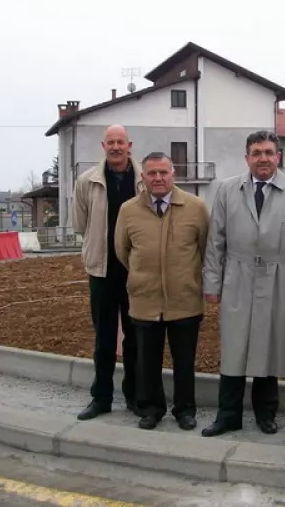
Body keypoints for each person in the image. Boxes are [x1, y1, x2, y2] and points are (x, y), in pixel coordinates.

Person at [201, 130, 285, 437]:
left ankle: (266, 413)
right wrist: (211, 283)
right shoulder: (228, 189)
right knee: (234, 345)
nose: (263, 158)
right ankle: (228, 414)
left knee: (270, 344)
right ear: (247, 158)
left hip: (280, 276)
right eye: (256, 153)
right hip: (237, 276)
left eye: (268, 152)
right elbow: (216, 241)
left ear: (277, 156)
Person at [114, 152, 210, 431]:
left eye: (163, 172)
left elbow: (204, 249)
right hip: (145, 299)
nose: (158, 178)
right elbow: (123, 251)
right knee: (147, 359)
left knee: (184, 360)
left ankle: (185, 410)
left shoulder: (196, 208)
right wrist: (142, 276)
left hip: (185, 299)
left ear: (173, 174)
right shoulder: (128, 210)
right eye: (151, 173)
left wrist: (187, 278)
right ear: (142, 177)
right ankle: (150, 408)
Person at [73, 124, 143, 420]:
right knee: (103, 337)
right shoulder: (86, 182)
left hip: (135, 271)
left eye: (121, 142)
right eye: (110, 142)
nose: (116, 147)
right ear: (104, 146)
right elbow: (80, 225)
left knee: (135, 337)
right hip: (101, 270)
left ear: (130, 145)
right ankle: (100, 397)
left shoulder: (144, 181)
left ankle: (135, 396)